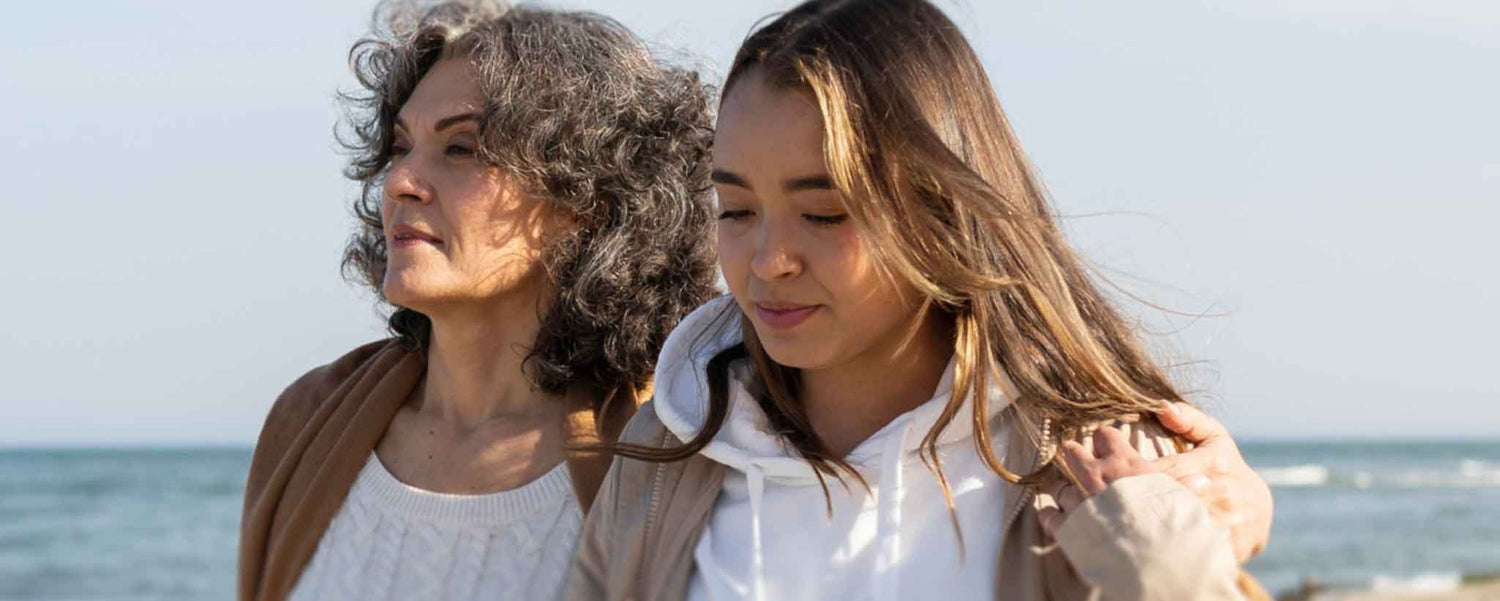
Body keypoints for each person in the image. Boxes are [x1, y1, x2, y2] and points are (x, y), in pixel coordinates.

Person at [567, 1, 1271, 599]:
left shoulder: (1107, 466)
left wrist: (1164, 567)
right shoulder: (671, 446)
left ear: (939, 209)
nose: (767, 261)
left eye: (824, 213)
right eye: (734, 208)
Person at [236, 3, 718, 600]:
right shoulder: (311, 420)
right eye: (400, 146)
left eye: (460, 148)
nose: (398, 182)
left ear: (585, 197)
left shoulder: (671, 453)